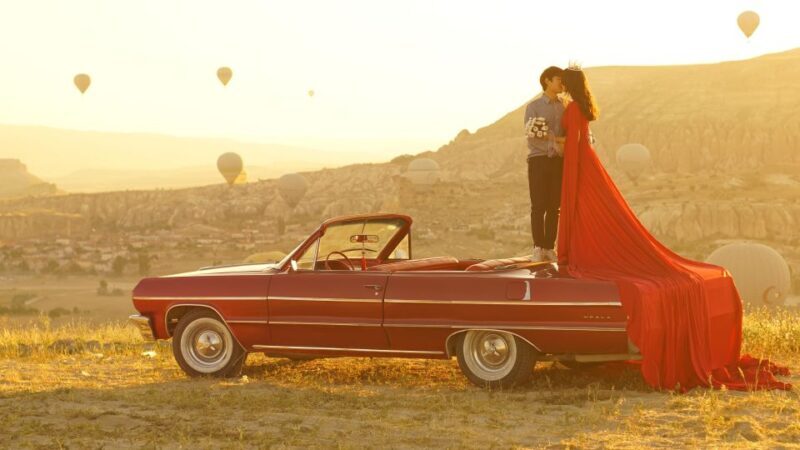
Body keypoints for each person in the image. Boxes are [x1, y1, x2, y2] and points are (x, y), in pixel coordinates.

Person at [556, 62, 790, 391]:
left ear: (569, 84)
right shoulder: (583, 105)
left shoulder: (572, 108)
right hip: (585, 162)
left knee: (590, 212)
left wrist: (559, 151)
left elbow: (576, 141)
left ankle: (580, 249)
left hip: (578, 163)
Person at [524, 66, 566, 262]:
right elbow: (533, 136)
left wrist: (553, 139)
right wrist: (558, 141)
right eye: (559, 79)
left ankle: (550, 247)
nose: (562, 83)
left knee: (554, 206)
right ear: (548, 81)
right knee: (538, 206)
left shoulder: (564, 106)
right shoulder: (533, 107)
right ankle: (538, 247)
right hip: (539, 159)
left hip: (558, 161)